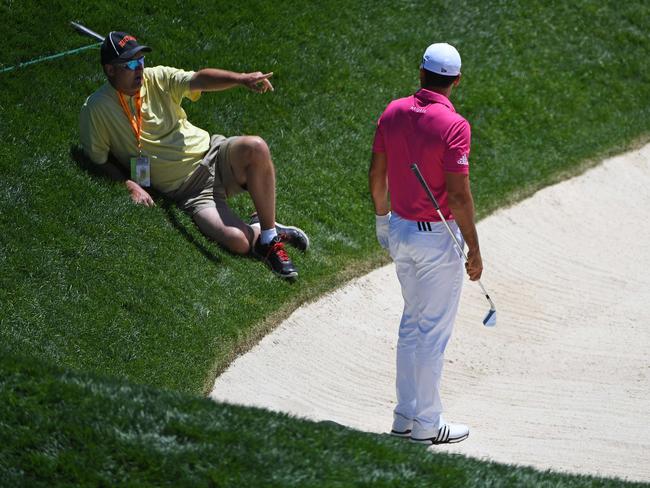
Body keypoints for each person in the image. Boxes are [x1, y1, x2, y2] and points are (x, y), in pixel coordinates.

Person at [79, 31, 309, 279]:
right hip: (190, 192)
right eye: (131, 64)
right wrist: (130, 183)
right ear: (110, 70)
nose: (139, 69)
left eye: (141, 61)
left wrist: (242, 79)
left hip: (213, 155)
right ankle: (263, 229)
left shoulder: (157, 78)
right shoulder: (96, 108)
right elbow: (99, 160)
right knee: (238, 242)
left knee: (256, 147)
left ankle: (269, 237)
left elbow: (199, 79)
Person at [368, 43, 483, 444]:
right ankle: (428, 426)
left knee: (412, 326)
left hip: (399, 231)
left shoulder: (393, 110)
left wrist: (383, 220)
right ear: (456, 81)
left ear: (420, 74)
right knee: (431, 333)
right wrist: (475, 248)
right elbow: (459, 196)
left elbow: (377, 173)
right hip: (436, 240)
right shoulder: (455, 126)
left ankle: (404, 417)